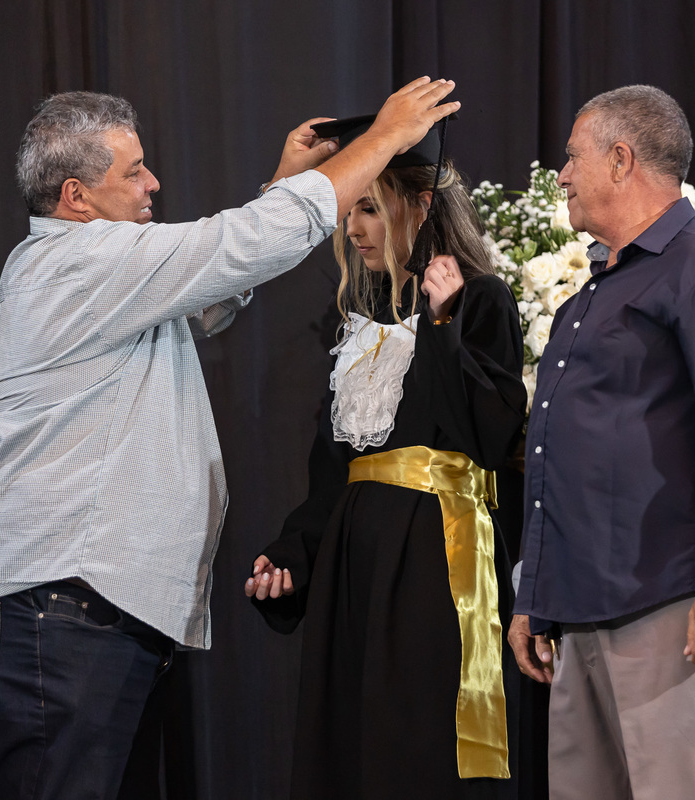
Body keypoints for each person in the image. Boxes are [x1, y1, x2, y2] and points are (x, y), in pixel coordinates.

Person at [0, 78, 459, 799]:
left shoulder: (99, 273)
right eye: (134, 171)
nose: (153, 183)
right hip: (63, 605)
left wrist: (284, 184)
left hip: (82, 607)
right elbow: (239, 246)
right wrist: (383, 139)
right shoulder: (79, 262)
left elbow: (215, 287)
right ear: (76, 198)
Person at [507, 85, 695, 800]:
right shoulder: (589, 296)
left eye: (572, 157)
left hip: (672, 611)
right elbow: (560, 458)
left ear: (621, 159)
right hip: (579, 614)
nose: (561, 175)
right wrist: (535, 593)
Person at [246, 116, 527, 799]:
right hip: (357, 567)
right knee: (355, 752)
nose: (353, 228)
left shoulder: (480, 300)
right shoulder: (359, 327)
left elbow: (491, 437)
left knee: (419, 749)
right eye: (350, 212)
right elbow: (333, 474)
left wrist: (443, 323)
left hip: (433, 563)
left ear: (420, 206)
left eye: (369, 208)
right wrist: (292, 555)